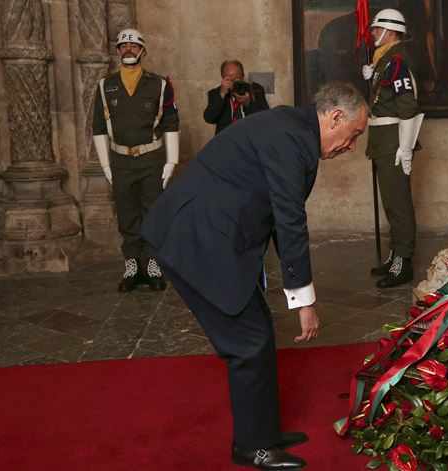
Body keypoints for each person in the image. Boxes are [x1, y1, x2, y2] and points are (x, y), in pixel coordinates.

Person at [141, 82, 368, 469]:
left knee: (258, 327)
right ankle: (253, 448)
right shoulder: (293, 140)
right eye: (355, 134)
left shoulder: (294, 129)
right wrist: (303, 301)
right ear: (335, 118)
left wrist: (297, 293)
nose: (352, 146)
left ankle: (263, 433)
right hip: (196, 240)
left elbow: (282, 218)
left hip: (210, 234)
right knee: (247, 342)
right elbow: (290, 220)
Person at [92, 28, 179, 293]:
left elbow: (171, 123)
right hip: (120, 162)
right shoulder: (105, 86)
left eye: (133, 45)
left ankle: (152, 265)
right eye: (123, 46)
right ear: (118, 51)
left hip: (152, 160)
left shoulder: (159, 84)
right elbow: (98, 127)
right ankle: (132, 266)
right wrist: (106, 165)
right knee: (127, 216)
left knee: (152, 214)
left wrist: (171, 161)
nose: (128, 49)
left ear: (143, 50)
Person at [363, 8, 424, 288]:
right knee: (391, 201)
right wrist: (373, 75)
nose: (373, 33)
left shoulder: (397, 61)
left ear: (390, 31)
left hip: (393, 140)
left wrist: (406, 148)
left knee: (398, 203)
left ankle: (404, 262)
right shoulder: (385, 59)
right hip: (382, 138)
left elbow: (408, 106)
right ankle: (394, 255)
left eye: (377, 28)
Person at [203, 60, 270, 135]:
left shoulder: (255, 90)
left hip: (250, 138)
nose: (234, 83)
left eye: (237, 80)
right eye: (230, 80)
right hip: (227, 141)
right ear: (223, 78)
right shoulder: (216, 93)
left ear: (243, 76)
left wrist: (248, 103)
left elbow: (265, 117)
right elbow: (209, 118)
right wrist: (222, 94)